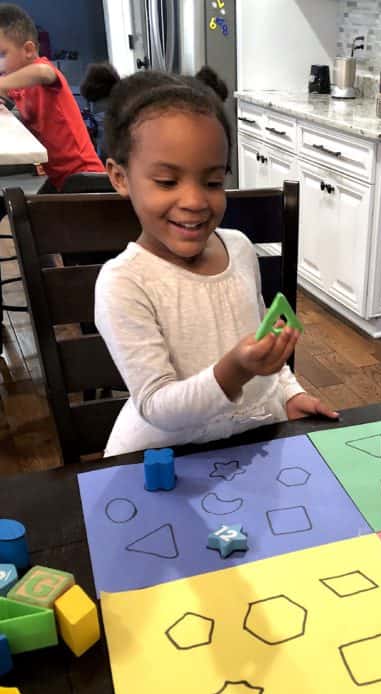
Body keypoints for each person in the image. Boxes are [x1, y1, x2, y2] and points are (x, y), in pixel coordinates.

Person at [80, 63, 338, 457]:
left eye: (214, 181)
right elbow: (156, 405)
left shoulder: (238, 248)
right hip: (162, 461)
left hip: (251, 447)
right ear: (119, 177)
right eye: (167, 181)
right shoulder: (124, 283)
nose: (195, 201)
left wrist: (289, 393)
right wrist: (233, 371)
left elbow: (264, 343)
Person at [0, 4, 104, 190]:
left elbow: (42, 72)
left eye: (1, 54)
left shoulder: (44, 73)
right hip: (61, 181)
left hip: (86, 179)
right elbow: (8, 93)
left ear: (29, 50)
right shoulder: (18, 87)